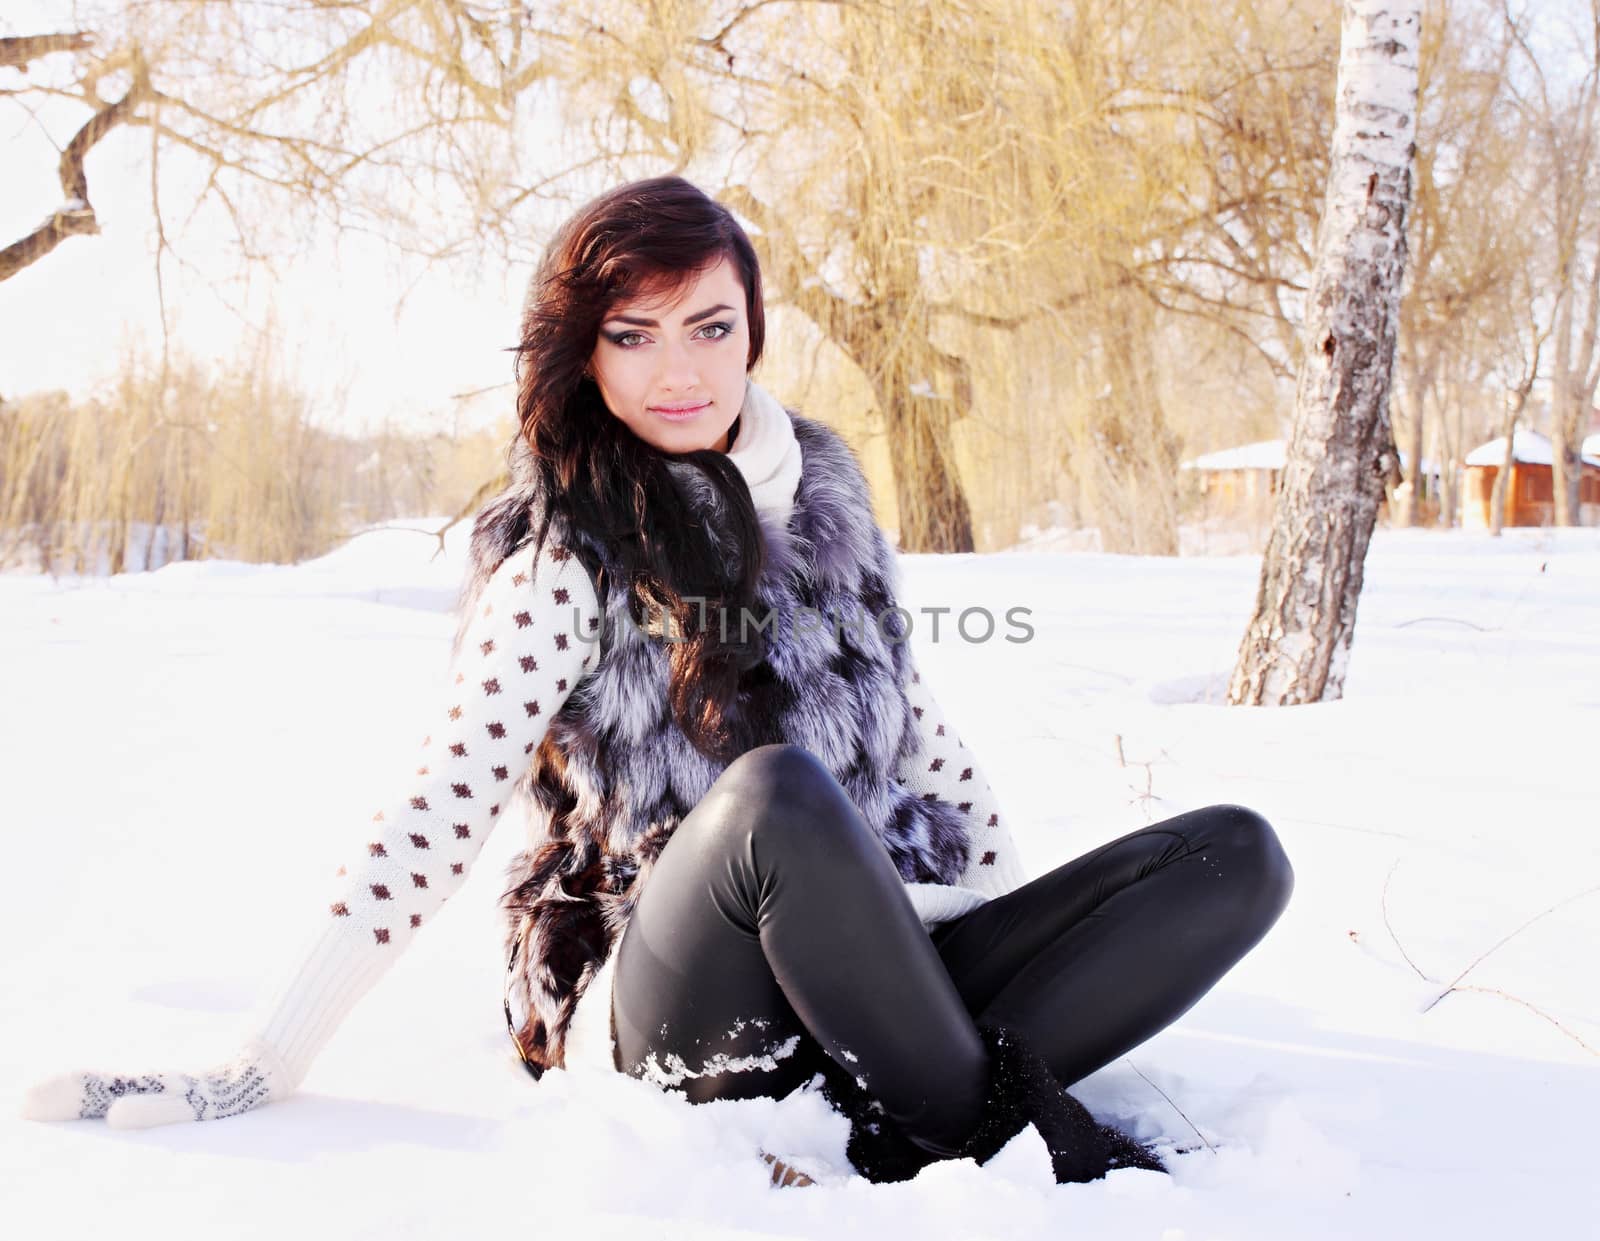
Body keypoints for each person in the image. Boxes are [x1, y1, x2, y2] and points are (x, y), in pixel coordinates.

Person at [21, 176, 1295, 1187]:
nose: (676, 371)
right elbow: (440, 803)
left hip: (869, 953)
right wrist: (264, 1054)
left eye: (709, 327)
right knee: (778, 800)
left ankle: (908, 1086)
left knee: (1234, 853)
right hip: (671, 990)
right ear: (583, 352)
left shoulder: (831, 504)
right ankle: (975, 1132)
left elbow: (917, 739)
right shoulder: (562, 553)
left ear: (753, 330)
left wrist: (1015, 920)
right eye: (631, 335)